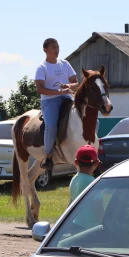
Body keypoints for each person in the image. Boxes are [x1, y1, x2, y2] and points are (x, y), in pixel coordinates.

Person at [34, 38, 79, 170]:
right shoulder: (42, 68)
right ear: (45, 50)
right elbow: (40, 89)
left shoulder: (65, 64)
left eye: (58, 47)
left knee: (89, 119)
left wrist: (68, 85)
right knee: (51, 125)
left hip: (67, 98)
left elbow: (76, 83)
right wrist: (59, 91)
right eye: (53, 47)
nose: (57, 50)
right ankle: (48, 156)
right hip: (50, 101)